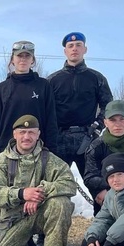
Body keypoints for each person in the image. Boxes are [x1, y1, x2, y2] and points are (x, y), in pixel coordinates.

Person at [0, 115, 76, 246]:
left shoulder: (49, 159)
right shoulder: (1, 161)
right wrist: (22, 194)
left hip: (40, 214)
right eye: (22, 132)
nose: (27, 137)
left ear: (38, 134)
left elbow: (69, 184)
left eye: (31, 132)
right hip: (13, 218)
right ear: (14, 134)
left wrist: (39, 193)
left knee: (61, 203)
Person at [47, 32, 113, 177]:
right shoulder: (52, 80)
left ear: (85, 49)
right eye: (70, 46)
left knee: (97, 184)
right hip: (59, 140)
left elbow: (108, 107)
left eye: (78, 45)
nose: (74, 49)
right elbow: (44, 110)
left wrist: (97, 127)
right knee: (54, 186)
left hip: (87, 137)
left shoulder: (96, 78)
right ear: (65, 51)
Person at [0, 40, 59, 166]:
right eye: (19, 56)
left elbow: (51, 120)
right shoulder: (1, 88)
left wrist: (51, 151)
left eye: (27, 56)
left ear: (33, 60)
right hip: (6, 153)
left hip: (37, 153)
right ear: (12, 60)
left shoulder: (43, 86)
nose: (23, 60)